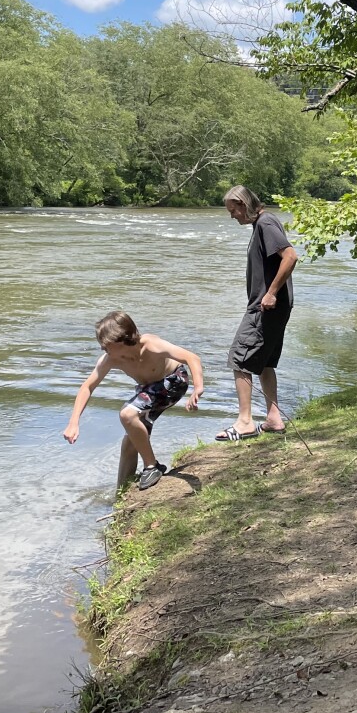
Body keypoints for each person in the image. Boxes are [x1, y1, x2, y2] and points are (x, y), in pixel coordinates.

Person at [62, 310, 204, 492]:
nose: (103, 349)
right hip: (149, 390)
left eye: (106, 345)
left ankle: (152, 467)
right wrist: (74, 423)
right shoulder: (111, 359)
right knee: (131, 441)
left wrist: (197, 387)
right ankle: (121, 493)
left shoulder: (151, 345)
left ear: (123, 339)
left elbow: (192, 357)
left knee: (127, 414)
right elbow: (87, 387)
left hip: (174, 381)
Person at [218, 184, 297, 441]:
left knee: (239, 358)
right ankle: (274, 418)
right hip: (273, 306)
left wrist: (271, 292)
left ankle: (245, 422)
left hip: (266, 306)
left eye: (233, 211)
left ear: (243, 204)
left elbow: (290, 256)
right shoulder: (262, 224)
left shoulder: (265, 223)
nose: (233, 216)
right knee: (263, 362)